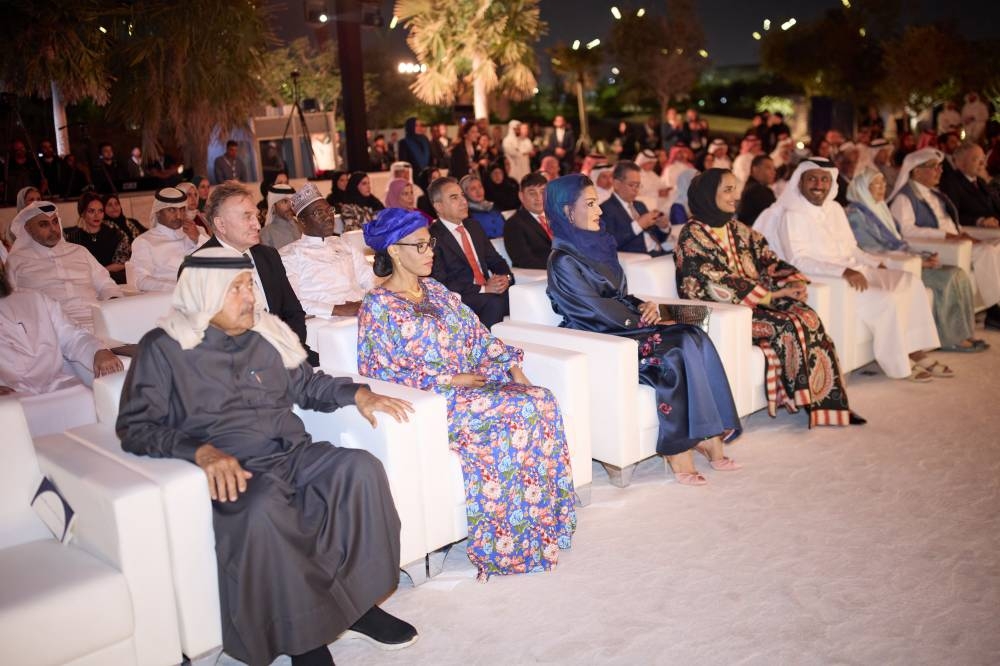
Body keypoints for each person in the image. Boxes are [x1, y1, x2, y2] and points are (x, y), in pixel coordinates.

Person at [117, 248, 418, 666]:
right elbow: (135, 427)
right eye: (237, 289)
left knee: (359, 470)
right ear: (204, 294)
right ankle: (305, 639)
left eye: (249, 286)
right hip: (235, 467)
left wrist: (358, 394)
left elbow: (308, 386)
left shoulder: (266, 334)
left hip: (292, 454)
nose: (250, 298)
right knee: (262, 508)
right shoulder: (163, 348)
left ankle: (359, 605)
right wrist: (199, 452)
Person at [357, 208, 576, 579]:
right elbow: (380, 372)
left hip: (474, 387)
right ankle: (508, 544)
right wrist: (450, 379)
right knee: (520, 411)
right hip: (434, 400)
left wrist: (513, 367)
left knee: (541, 398)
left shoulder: (438, 291)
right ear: (394, 250)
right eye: (421, 245)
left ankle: (545, 526)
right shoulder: (378, 306)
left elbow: (478, 336)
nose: (431, 252)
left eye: (431, 243)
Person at [545, 174, 742, 485]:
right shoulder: (562, 260)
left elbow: (619, 296)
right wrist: (640, 321)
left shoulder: (599, 245)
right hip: (601, 340)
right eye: (591, 204)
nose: (599, 212)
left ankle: (709, 435)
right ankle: (677, 449)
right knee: (676, 349)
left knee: (696, 335)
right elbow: (594, 309)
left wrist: (644, 306)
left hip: (626, 329)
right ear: (567, 211)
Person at [676, 169, 861, 426]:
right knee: (787, 325)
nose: (735, 196)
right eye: (728, 190)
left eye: (735, 189)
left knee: (807, 315)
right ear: (708, 194)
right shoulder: (691, 235)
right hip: (720, 313)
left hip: (757, 302)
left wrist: (791, 279)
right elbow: (708, 281)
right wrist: (770, 294)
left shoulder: (738, 230)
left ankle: (827, 404)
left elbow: (768, 260)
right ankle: (806, 399)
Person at [755, 159, 943, 381]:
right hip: (830, 279)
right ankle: (900, 364)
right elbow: (798, 260)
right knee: (888, 300)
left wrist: (875, 264)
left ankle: (916, 348)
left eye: (824, 179)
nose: (819, 184)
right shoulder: (791, 214)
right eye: (812, 178)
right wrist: (842, 272)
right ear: (801, 182)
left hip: (855, 269)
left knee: (909, 281)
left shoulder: (835, 208)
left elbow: (852, 248)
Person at [846, 167, 983, 352]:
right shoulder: (856, 214)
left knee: (958, 273)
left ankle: (964, 332)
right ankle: (950, 339)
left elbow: (899, 242)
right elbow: (872, 250)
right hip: (889, 268)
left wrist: (923, 256)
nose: (882, 187)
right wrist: (918, 262)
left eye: (883, 183)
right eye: (876, 184)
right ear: (862, 188)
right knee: (946, 279)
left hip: (905, 260)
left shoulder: (880, 208)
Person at [194, 181, 319, 366]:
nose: (257, 225)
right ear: (221, 224)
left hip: (287, 355)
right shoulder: (199, 268)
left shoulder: (267, 256)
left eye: (256, 216)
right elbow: (209, 337)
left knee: (342, 374)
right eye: (247, 217)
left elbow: (293, 312)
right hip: (237, 367)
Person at [890, 147, 1000, 330]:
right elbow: (906, 231)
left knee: (995, 246)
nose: (940, 171)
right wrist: (946, 236)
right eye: (934, 166)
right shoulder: (905, 198)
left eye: (940, 166)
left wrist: (963, 234)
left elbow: (952, 223)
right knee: (987, 251)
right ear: (917, 171)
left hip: (956, 240)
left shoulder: (935, 193)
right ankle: (994, 311)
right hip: (938, 246)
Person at [0, 261, 122, 398]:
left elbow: (72, 336)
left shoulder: (34, 299)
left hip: (56, 386)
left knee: (93, 403)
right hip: (10, 396)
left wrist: (98, 351)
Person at [6, 201, 123, 332]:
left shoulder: (79, 251)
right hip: (52, 329)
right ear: (28, 229)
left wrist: (114, 303)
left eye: (55, 222)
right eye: (44, 224)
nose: (53, 229)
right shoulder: (17, 261)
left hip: (98, 321)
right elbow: (10, 303)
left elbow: (105, 284)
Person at [281, 183, 376, 318]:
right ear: (302, 221)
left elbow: (369, 278)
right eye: (318, 212)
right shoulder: (289, 255)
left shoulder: (344, 244)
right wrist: (337, 309)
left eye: (329, 210)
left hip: (362, 311)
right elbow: (292, 302)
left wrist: (369, 301)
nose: (328, 216)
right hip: (323, 320)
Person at [428, 177, 513, 328]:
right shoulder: (433, 236)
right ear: (439, 206)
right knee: (494, 302)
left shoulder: (473, 226)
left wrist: (505, 278)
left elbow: (496, 261)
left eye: (462, 195)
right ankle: (482, 349)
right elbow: (440, 281)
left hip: (488, 292)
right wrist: (484, 288)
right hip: (459, 297)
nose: (463, 201)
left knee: (520, 297)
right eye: (454, 198)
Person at [129, 187, 206, 292]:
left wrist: (198, 239)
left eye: (182, 209)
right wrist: (179, 287)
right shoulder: (144, 241)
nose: (179, 216)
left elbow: (219, 258)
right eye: (172, 209)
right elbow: (142, 281)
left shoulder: (196, 232)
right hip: (168, 299)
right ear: (158, 212)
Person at [600, 161, 670, 256]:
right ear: (616, 184)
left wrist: (663, 227)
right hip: (641, 260)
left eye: (638, 185)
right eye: (632, 185)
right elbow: (610, 243)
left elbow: (658, 238)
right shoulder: (606, 209)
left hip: (660, 253)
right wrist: (638, 225)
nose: (636, 190)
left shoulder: (640, 205)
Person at [63, 192, 131, 284]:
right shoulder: (73, 238)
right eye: (91, 211)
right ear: (82, 213)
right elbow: (72, 267)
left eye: (100, 211)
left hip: (114, 281)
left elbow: (123, 262)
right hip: (85, 283)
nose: (97, 215)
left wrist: (99, 272)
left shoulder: (115, 233)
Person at [940, 142, 1000, 229]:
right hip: (975, 232)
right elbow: (951, 215)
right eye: (976, 159)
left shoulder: (980, 181)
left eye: (983, 158)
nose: (982, 163)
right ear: (960, 163)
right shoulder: (951, 183)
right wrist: (979, 221)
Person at [503, 172, 552, 269]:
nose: (538, 198)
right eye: (532, 193)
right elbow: (525, 261)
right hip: (542, 275)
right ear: (521, 196)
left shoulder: (557, 218)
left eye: (542, 192)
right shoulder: (514, 224)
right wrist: (562, 268)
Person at [459, 174, 506, 239]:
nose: (478, 191)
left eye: (480, 187)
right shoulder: (466, 214)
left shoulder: (493, 207)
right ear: (465, 193)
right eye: (473, 189)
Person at [259, 183, 302, 251]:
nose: (290, 206)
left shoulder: (301, 227)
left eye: (292, 201)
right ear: (274, 206)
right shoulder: (265, 234)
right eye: (285, 201)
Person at [737, 155, 777, 226]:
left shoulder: (752, 187)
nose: (773, 172)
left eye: (774, 169)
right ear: (755, 169)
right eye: (768, 168)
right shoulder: (757, 190)